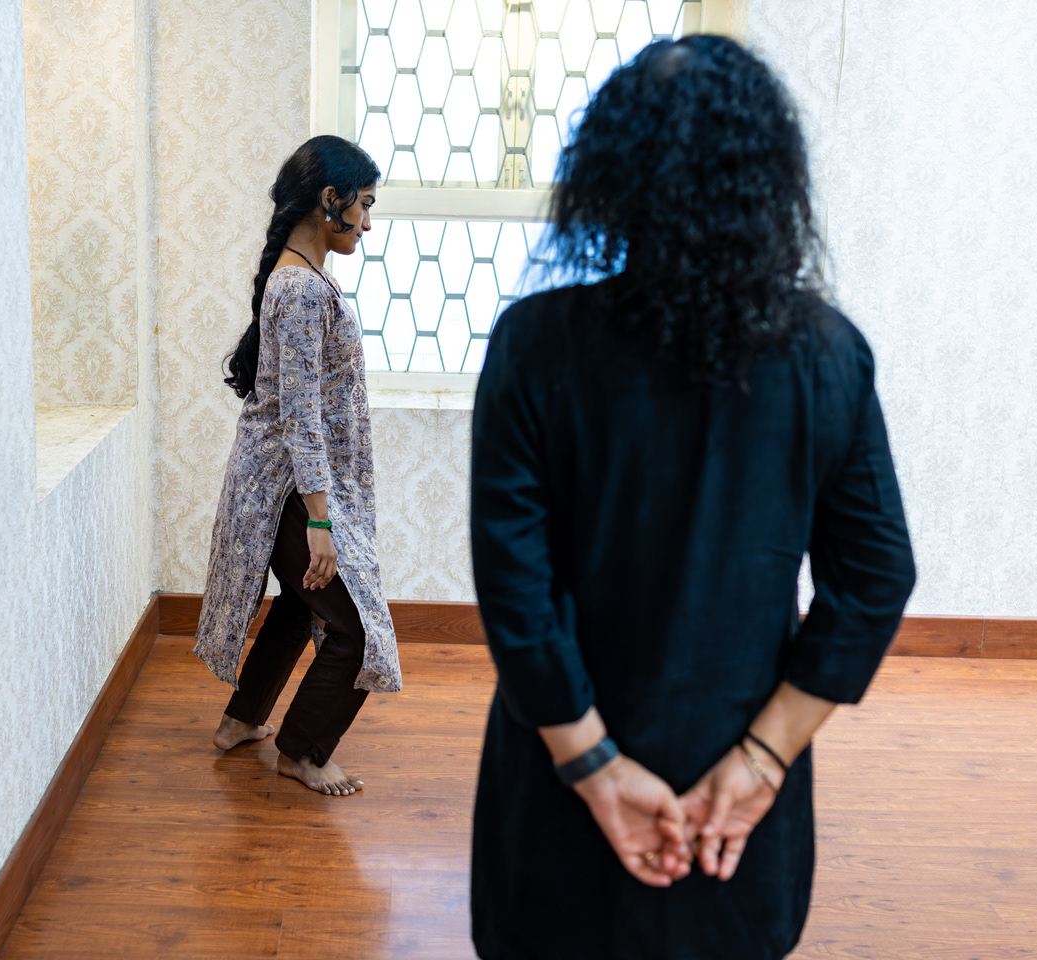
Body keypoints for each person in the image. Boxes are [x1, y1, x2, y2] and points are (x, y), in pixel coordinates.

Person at [468, 36, 917, 959]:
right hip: (732, 803)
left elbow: (518, 589)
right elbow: (875, 578)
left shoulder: (536, 344)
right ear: (770, 180)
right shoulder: (827, 354)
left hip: (556, 789)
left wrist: (595, 765)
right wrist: (762, 760)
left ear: (611, 173)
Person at [194, 135, 400, 797]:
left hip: (280, 485)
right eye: (364, 205)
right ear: (328, 200)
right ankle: (302, 753)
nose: (367, 222)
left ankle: (240, 721)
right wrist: (321, 523)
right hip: (289, 491)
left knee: (300, 604)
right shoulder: (302, 290)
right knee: (357, 632)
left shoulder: (301, 280)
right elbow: (301, 416)